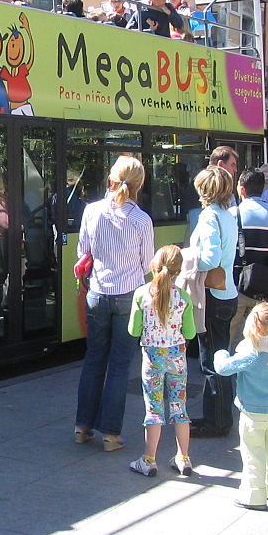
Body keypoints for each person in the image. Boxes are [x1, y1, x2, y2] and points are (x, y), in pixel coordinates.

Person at [74, 155, 154, 452]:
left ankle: (82, 427)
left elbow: (83, 251)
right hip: (129, 298)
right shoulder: (141, 220)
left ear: (111, 180)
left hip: (96, 294)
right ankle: (110, 434)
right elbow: (148, 264)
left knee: (94, 360)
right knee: (120, 366)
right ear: (139, 184)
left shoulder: (92, 211)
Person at [214, 302, 268, 510]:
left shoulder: (252, 352)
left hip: (252, 412)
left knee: (253, 454)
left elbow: (224, 368)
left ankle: (254, 496)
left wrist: (220, 353)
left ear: (254, 324)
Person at [127, 245, 197, 477]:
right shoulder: (184, 297)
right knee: (179, 406)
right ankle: (183, 458)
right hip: (177, 358)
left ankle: (149, 460)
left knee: (154, 408)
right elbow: (190, 334)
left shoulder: (141, 294)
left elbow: (133, 330)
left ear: (154, 266)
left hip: (152, 359)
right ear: (178, 270)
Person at [189, 165, 240, 438]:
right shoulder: (227, 214)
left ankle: (217, 422)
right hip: (227, 291)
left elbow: (210, 258)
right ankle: (218, 416)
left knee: (211, 361)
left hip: (212, 295)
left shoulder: (209, 216)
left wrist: (188, 258)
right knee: (220, 356)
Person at [229, 170, 268, 346]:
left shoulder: (233, 214)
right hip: (265, 287)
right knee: (261, 337)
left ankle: (228, 372)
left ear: (241, 189)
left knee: (232, 334)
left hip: (236, 284)